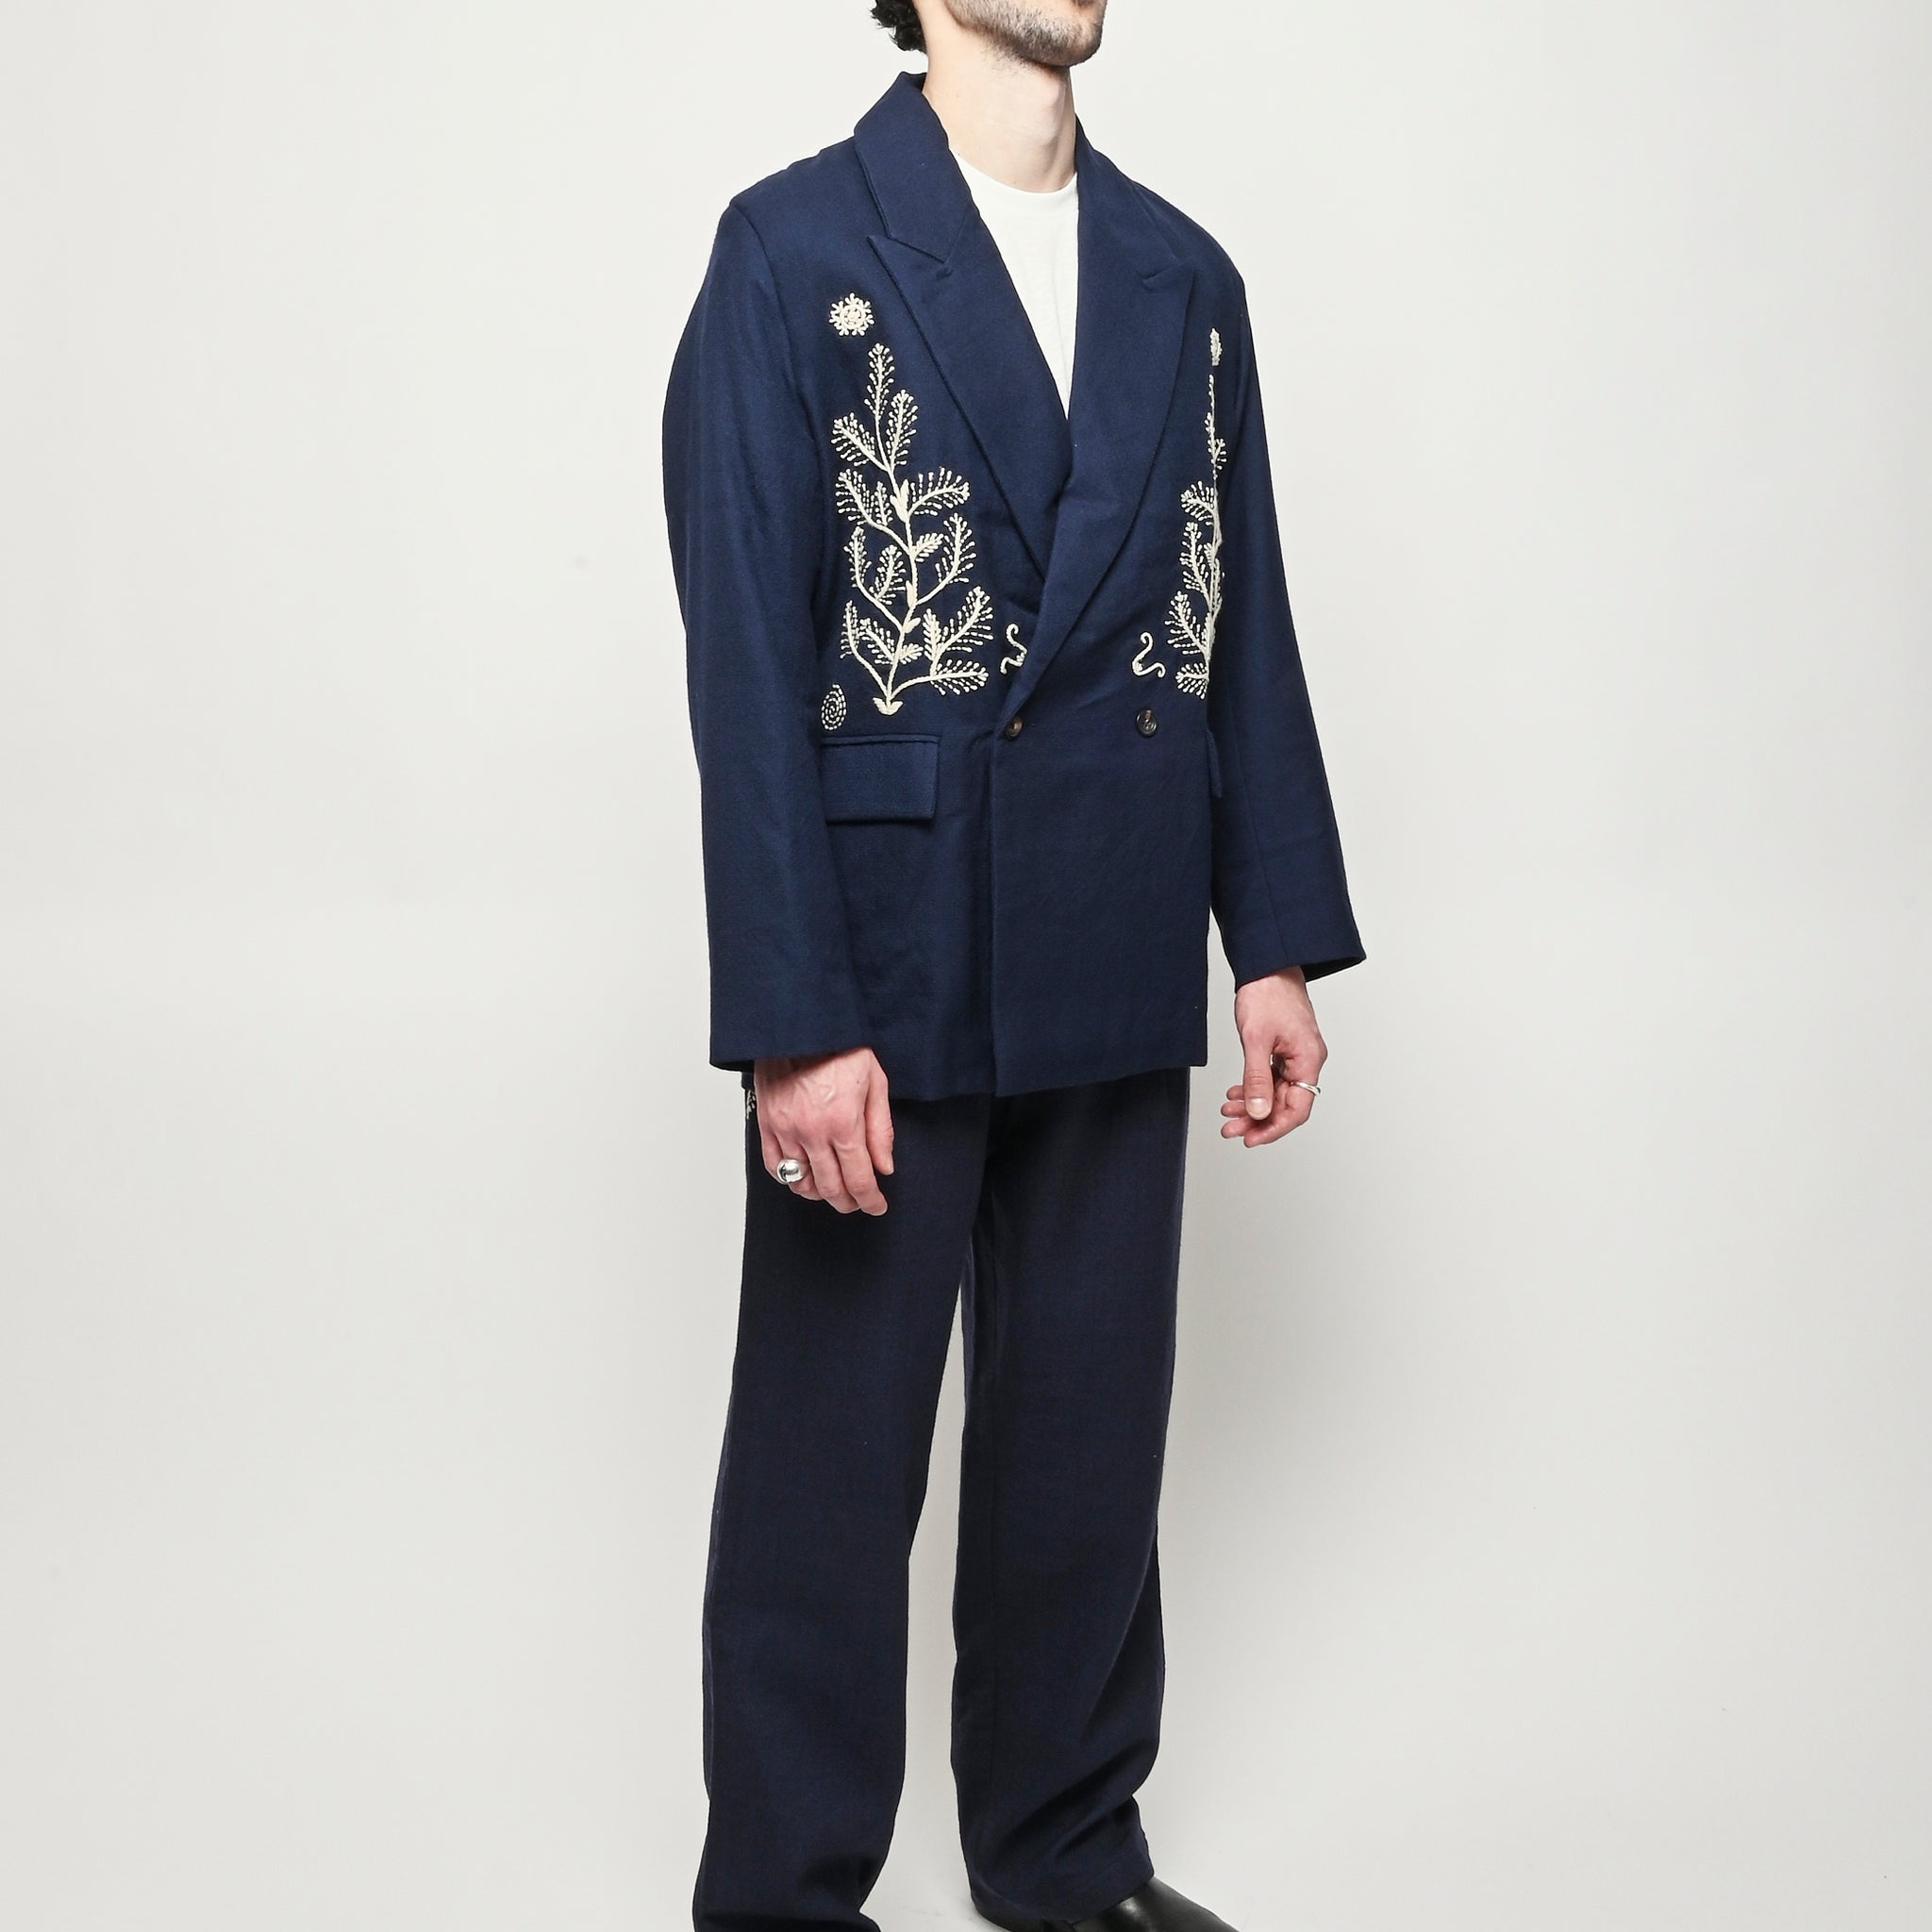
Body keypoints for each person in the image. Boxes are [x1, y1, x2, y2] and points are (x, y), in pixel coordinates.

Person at [662, 1, 1362, 1925]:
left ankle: (1063, 1852)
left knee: (1088, 1437)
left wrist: (1272, 939)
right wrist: (793, 1015)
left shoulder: (1182, 277)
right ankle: (783, 1895)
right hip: (883, 956)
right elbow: (744, 658)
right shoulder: (793, 249)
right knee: (828, 1464)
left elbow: (1242, 614)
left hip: (1117, 911)